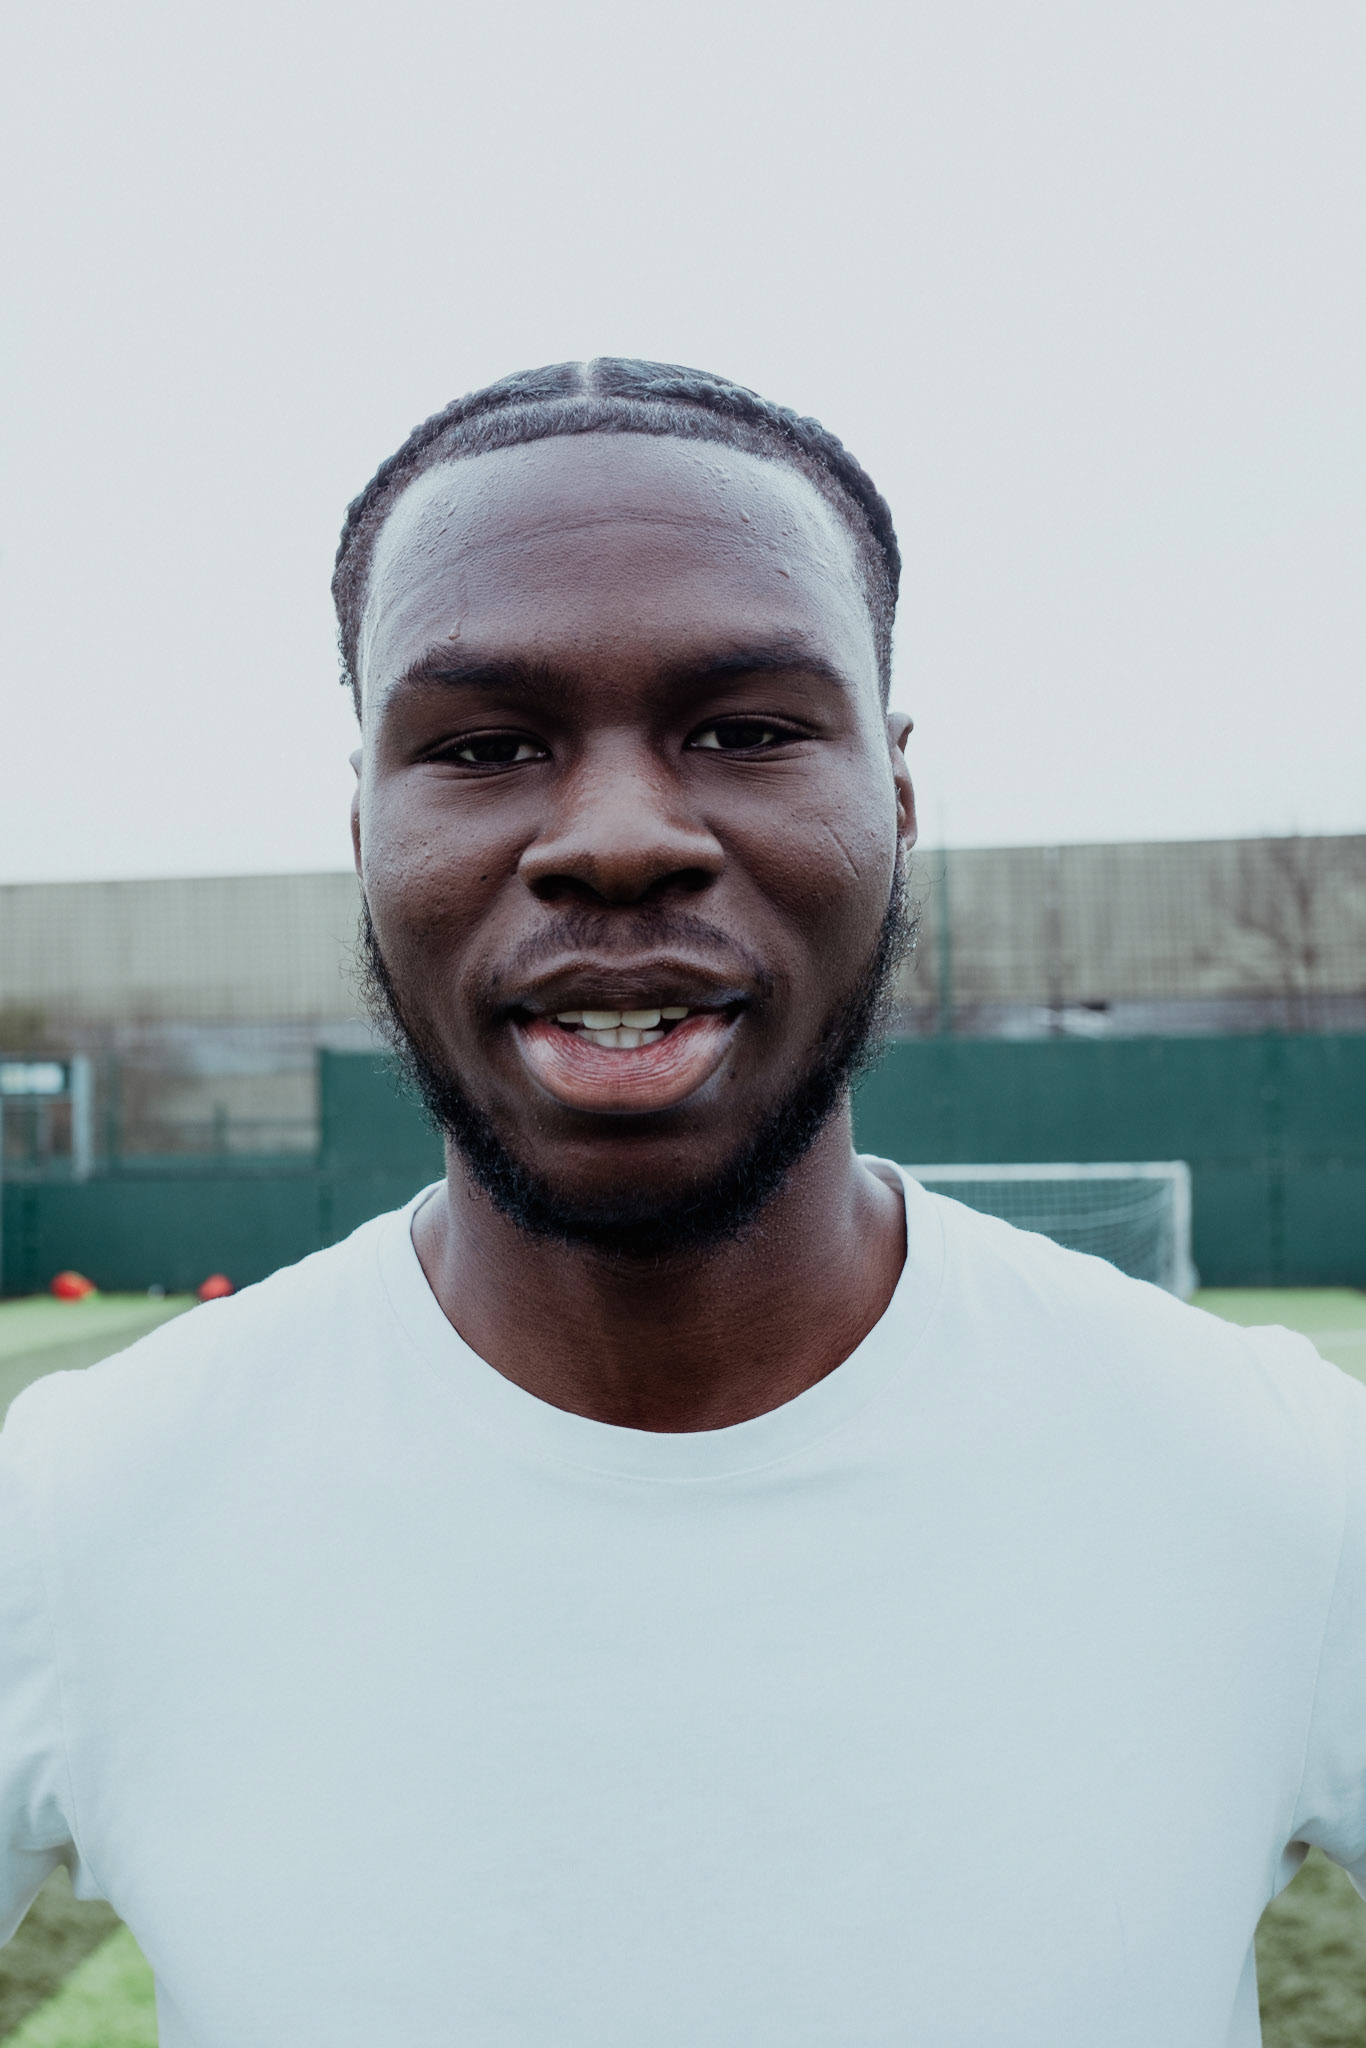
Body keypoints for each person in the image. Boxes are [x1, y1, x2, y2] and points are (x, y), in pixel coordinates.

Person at [2, 359, 1364, 2048]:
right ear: (364, 828)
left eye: (747, 730)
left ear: (897, 802)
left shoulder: (1285, 1483)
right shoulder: (79, 1507)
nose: (618, 838)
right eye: (484, 747)